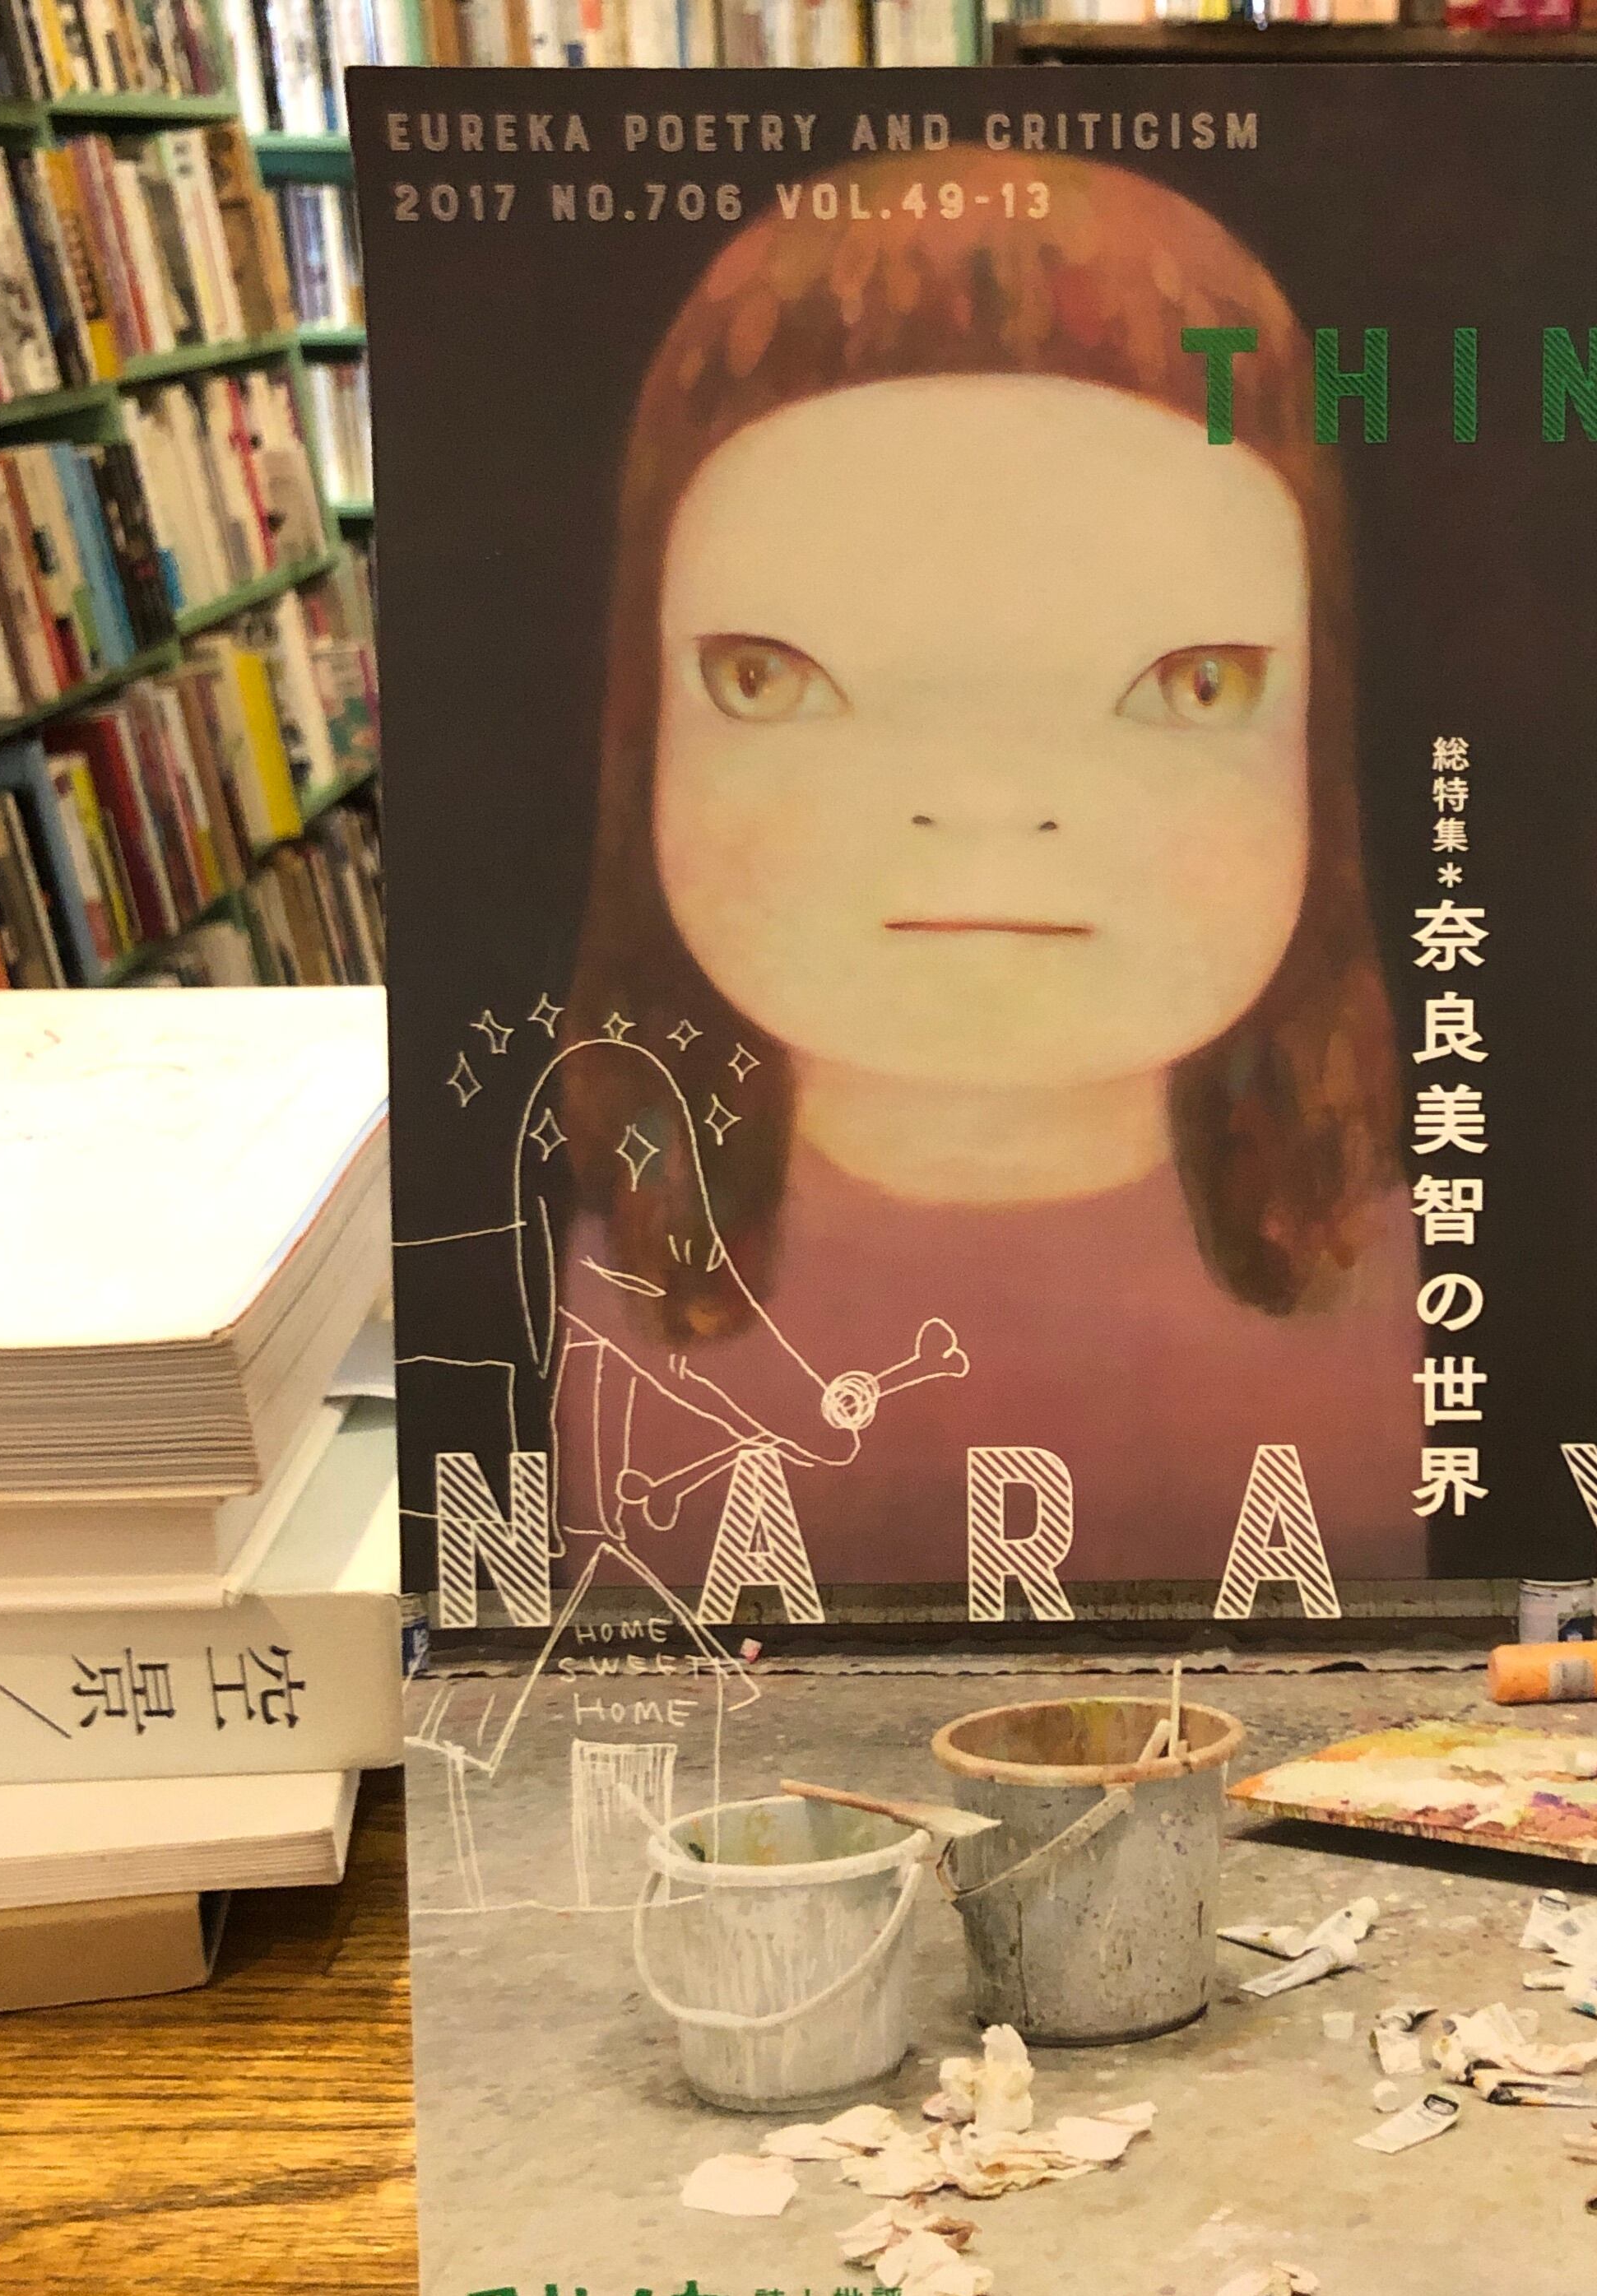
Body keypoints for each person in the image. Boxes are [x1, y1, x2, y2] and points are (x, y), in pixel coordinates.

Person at [551, 148, 1423, 1598]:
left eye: (1190, 684)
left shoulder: (1436, 1303)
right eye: (773, 676)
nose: (985, 805)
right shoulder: (572, 1305)